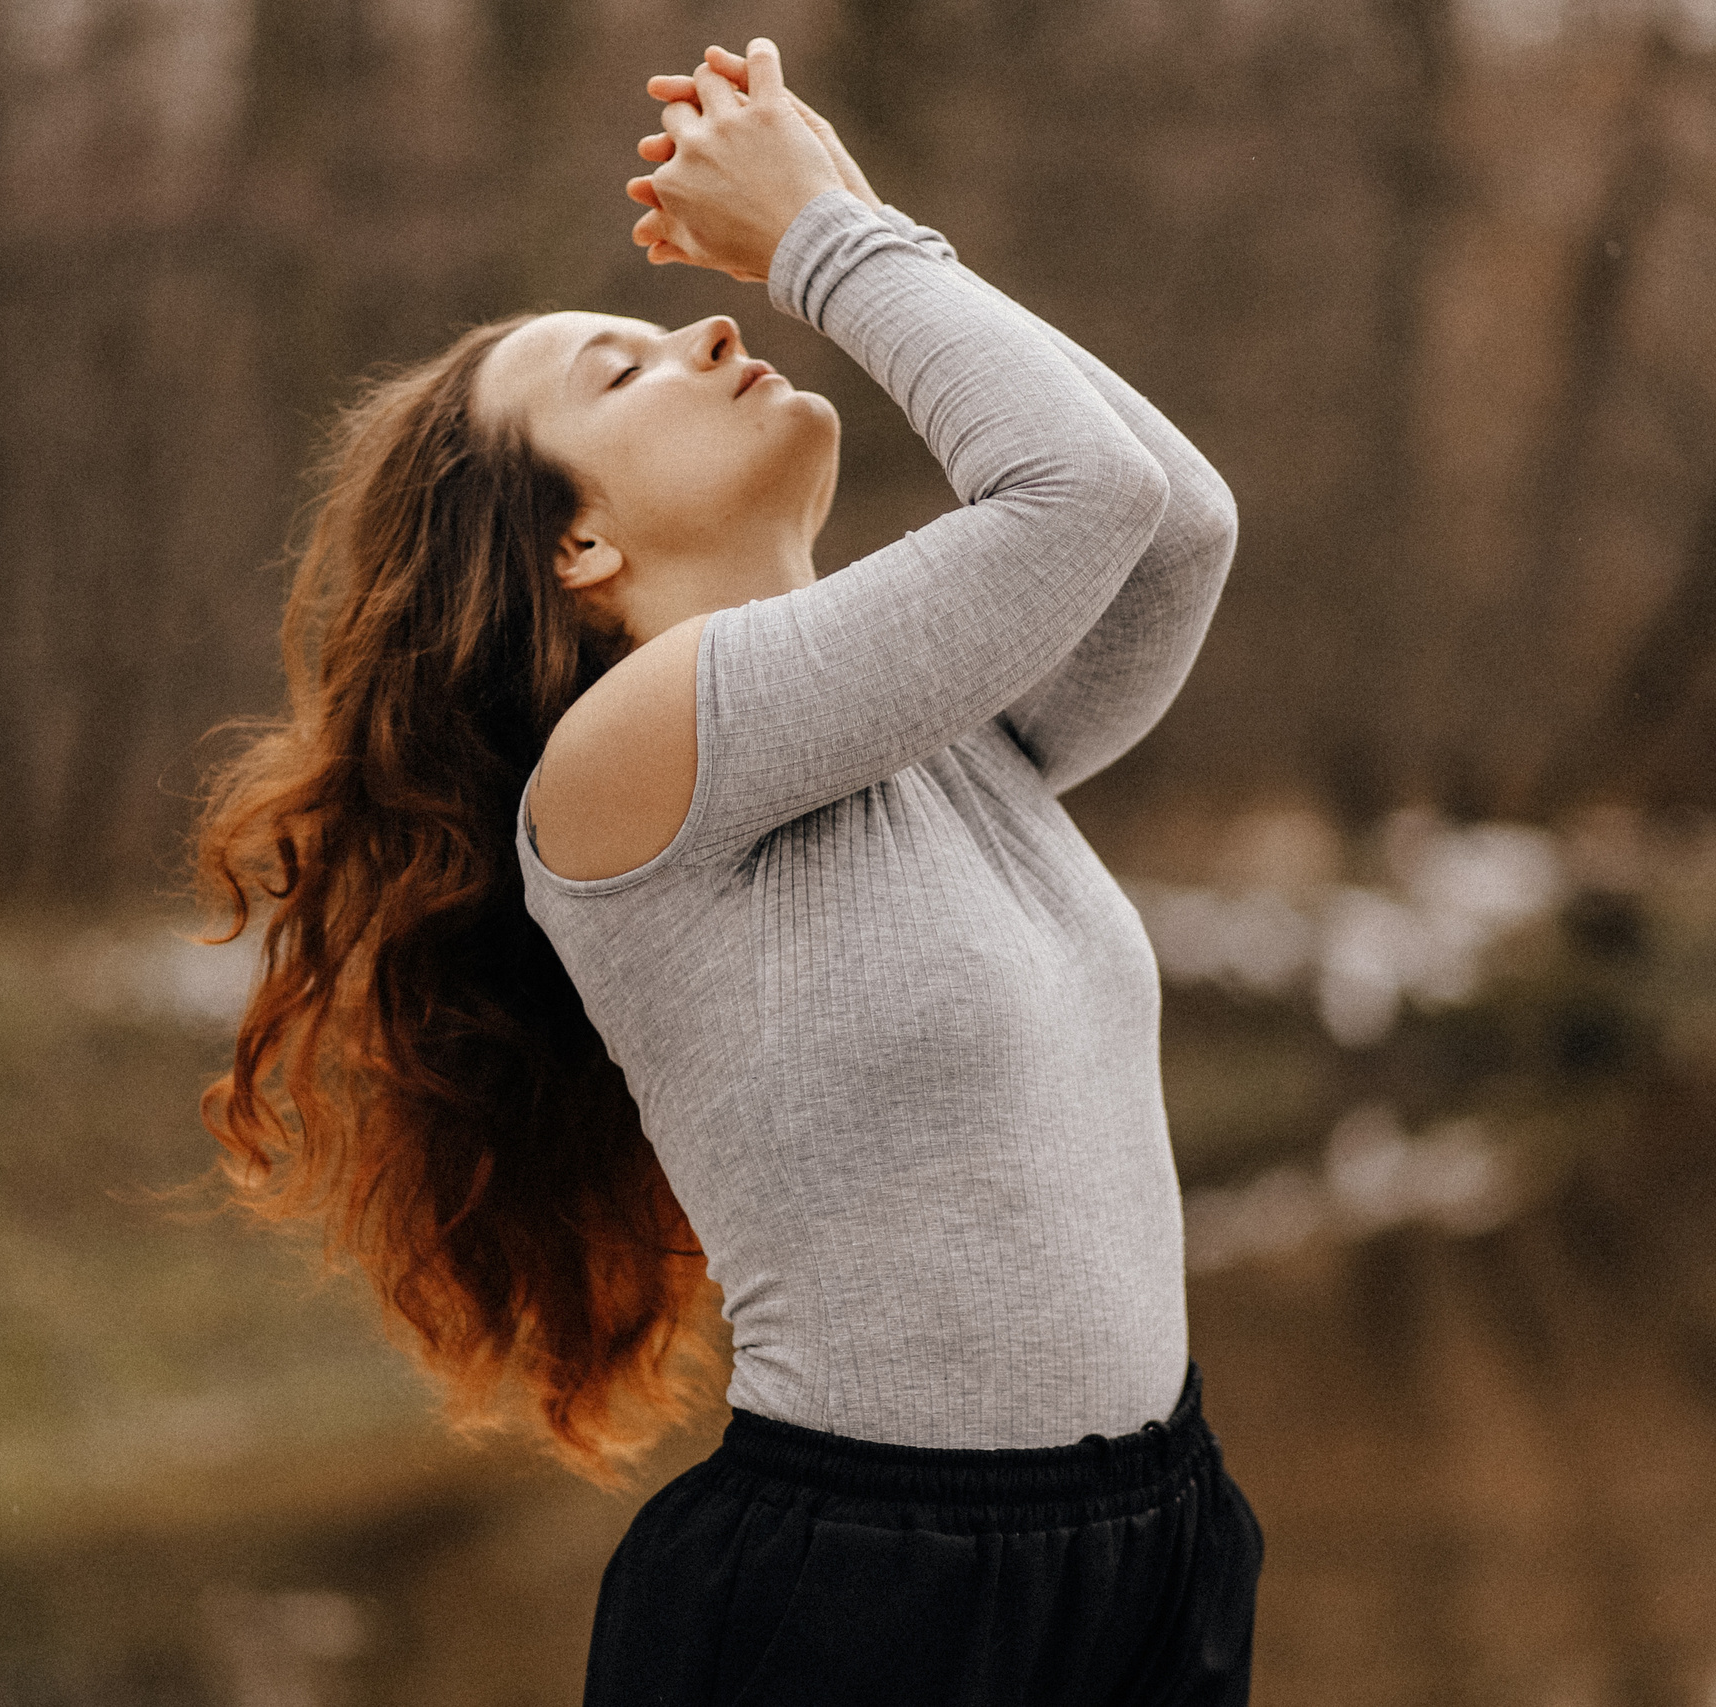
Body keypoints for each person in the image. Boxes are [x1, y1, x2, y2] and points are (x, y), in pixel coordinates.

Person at [198, 36, 1257, 1705]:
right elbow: (1083, 490)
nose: (709, 331)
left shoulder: (949, 742)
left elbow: (1177, 524)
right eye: (623, 375)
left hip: (1152, 1542)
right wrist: (822, 238)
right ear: (577, 546)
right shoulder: (628, 758)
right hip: (868, 1594)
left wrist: (856, 214)